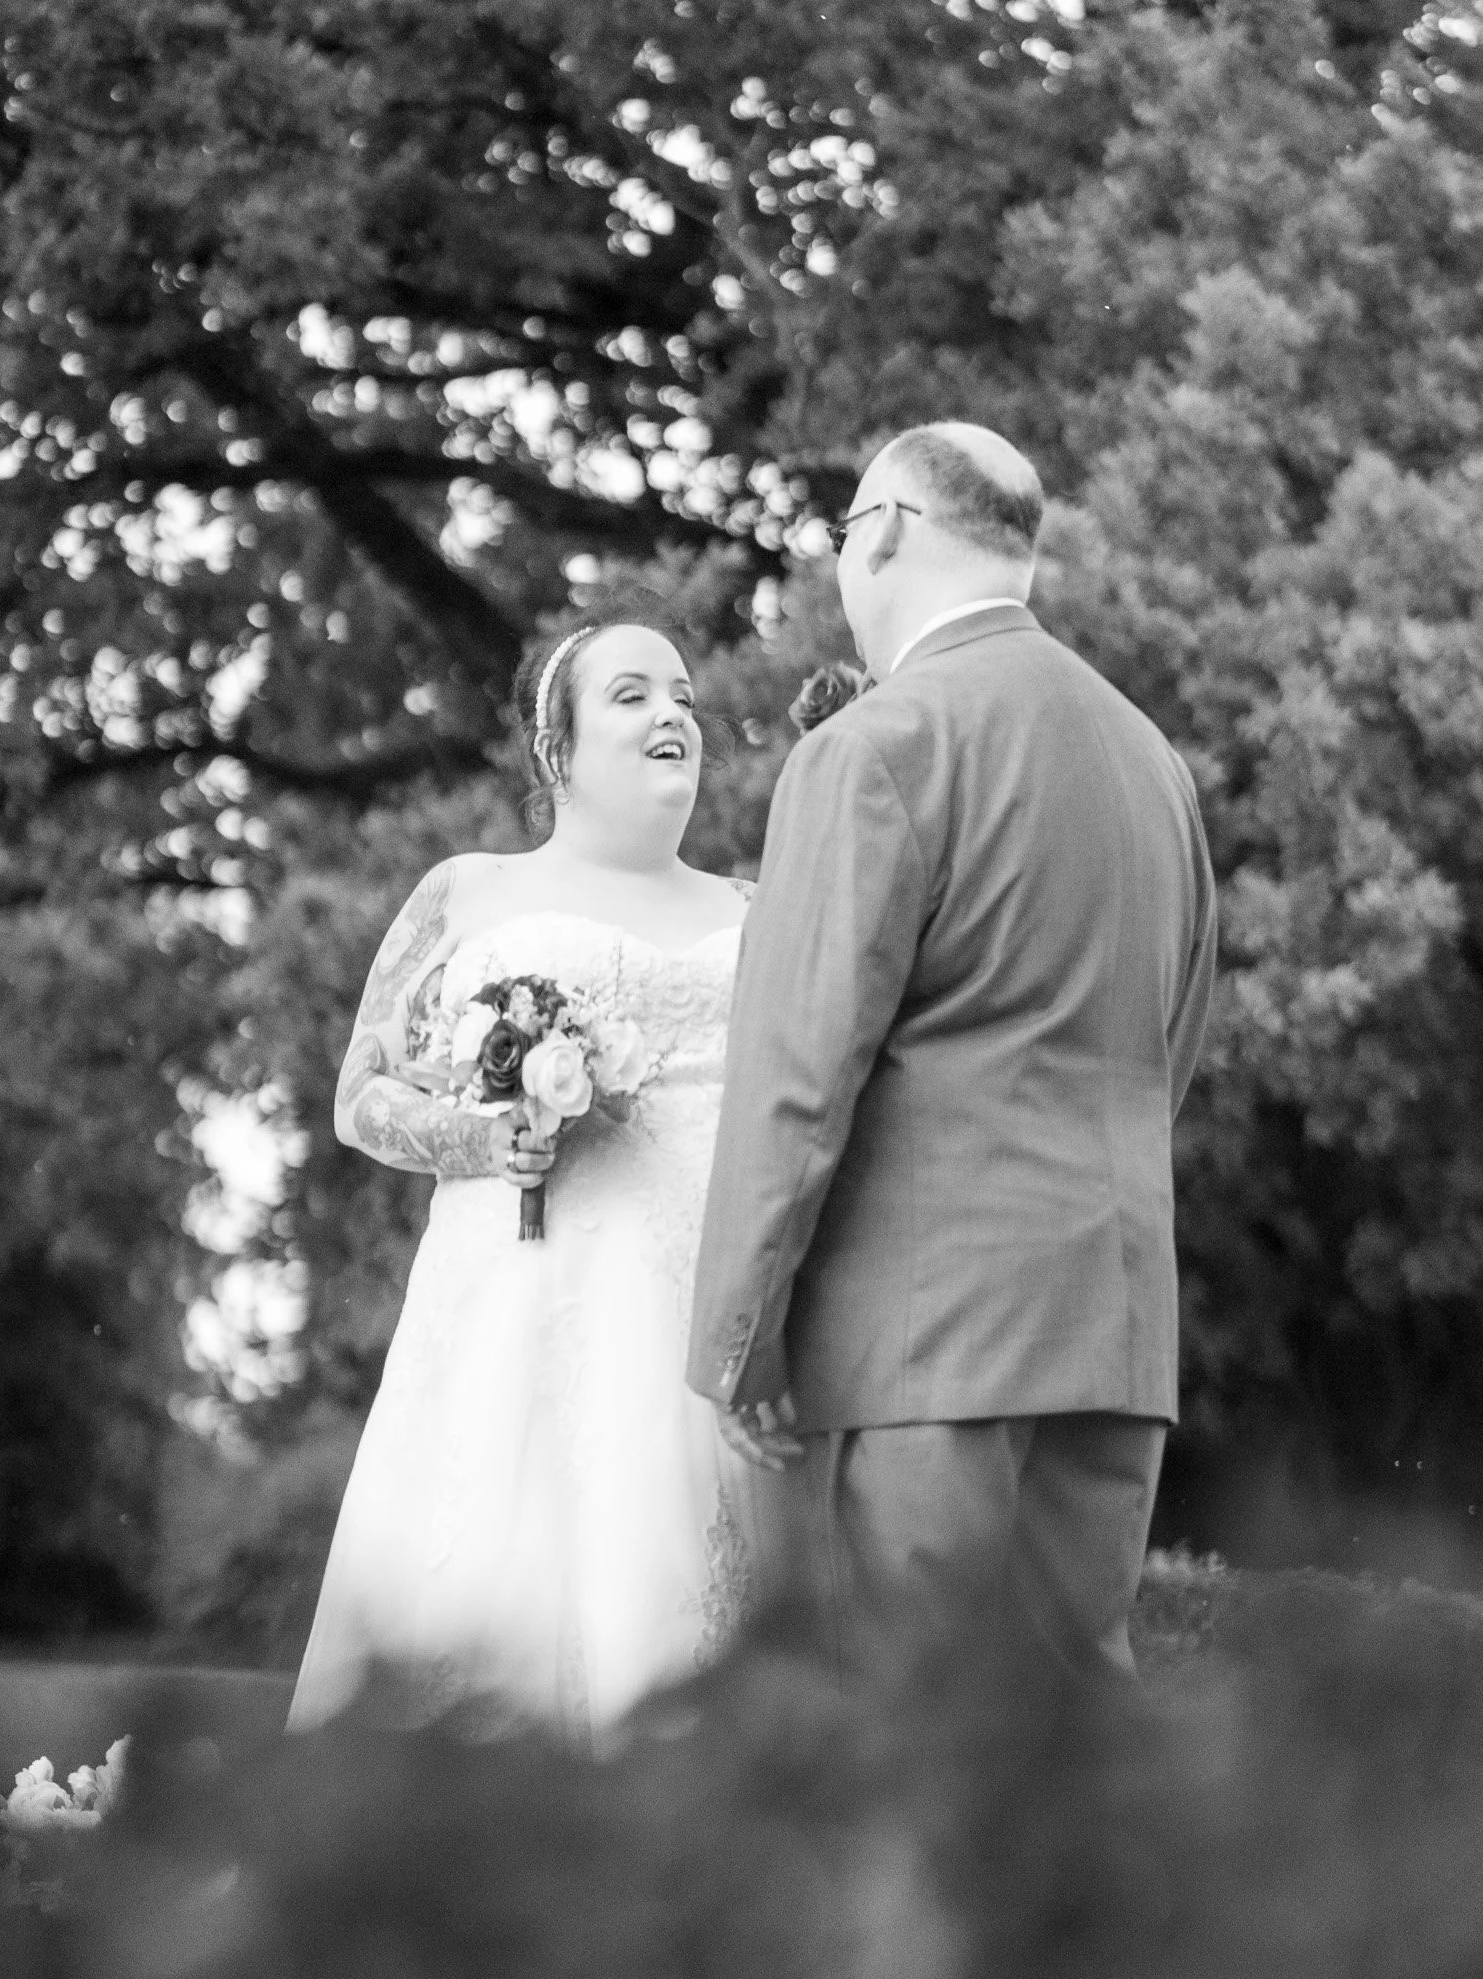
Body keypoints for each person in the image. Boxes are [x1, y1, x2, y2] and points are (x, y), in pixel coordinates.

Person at [687, 421, 1218, 1680]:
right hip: (1115, 1324)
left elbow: (798, 1073)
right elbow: (1174, 1035)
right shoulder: (1153, 761)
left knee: (912, 1744)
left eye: (840, 534)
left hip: (921, 1343)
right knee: (1069, 1745)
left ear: (885, 531)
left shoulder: (875, 746)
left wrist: (741, 1334)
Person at [287, 606, 756, 1743]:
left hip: (712, 1293)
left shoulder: (756, 911)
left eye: (686, 696)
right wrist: (483, 1140)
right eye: (634, 693)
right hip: (524, 1292)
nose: (672, 714)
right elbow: (362, 1094)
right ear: (556, 750)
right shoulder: (470, 891)